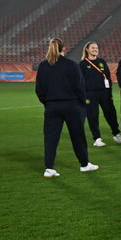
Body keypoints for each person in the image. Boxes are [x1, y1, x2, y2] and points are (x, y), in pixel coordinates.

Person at [35, 38, 99, 177]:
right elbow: (80, 88)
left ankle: (49, 168)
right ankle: (84, 164)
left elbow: (39, 90)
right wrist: (82, 104)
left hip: (52, 106)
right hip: (72, 106)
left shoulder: (43, 66)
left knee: (51, 138)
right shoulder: (71, 65)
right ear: (64, 49)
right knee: (78, 137)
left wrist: (48, 103)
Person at [79, 42, 121, 146]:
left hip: (104, 93)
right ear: (87, 50)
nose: (95, 49)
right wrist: (83, 95)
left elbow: (108, 77)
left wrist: (109, 92)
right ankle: (97, 138)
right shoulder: (82, 64)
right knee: (92, 116)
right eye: (93, 48)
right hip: (90, 94)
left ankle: (116, 134)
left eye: (96, 48)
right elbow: (79, 81)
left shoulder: (102, 62)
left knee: (111, 113)